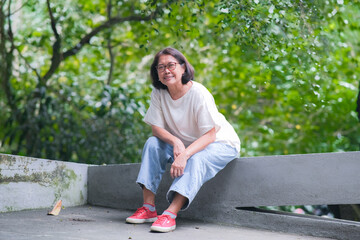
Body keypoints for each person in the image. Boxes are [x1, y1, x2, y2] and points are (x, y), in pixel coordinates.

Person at [126, 47, 240, 232]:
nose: (166, 71)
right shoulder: (159, 93)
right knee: (152, 144)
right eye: (160, 67)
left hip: (220, 143)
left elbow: (210, 135)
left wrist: (184, 154)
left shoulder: (198, 93)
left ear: (183, 67)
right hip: (186, 144)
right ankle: (148, 209)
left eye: (171, 65)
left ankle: (170, 214)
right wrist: (177, 142)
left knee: (197, 158)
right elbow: (156, 129)